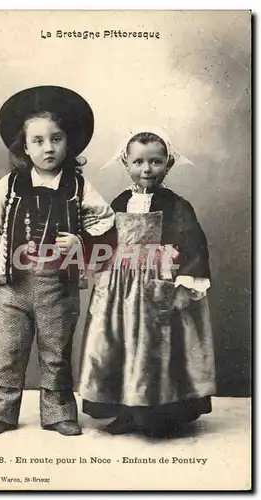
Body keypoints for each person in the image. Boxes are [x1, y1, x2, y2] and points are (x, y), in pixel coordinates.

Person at [0, 85, 115, 436]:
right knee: (8, 350)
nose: (48, 147)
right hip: (13, 285)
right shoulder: (9, 185)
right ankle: (1, 412)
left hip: (59, 286)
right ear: (24, 146)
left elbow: (107, 225)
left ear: (69, 143)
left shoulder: (78, 187)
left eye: (56, 139)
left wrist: (81, 242)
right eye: (38, 141)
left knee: (56, 352)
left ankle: (58, 413)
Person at [79, 126, 216, 437]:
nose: (147, 169)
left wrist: (184, 286)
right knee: (121, 348)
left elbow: (193, 244)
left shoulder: (177, 205)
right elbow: (106, 239)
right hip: (121, 291)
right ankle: (127, 412)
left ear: (168, 164)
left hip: (159, 289)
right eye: (139, 162)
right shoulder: (119, 202)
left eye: (155, 162)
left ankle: (157, 416)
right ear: (126, 163)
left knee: (156, 350)